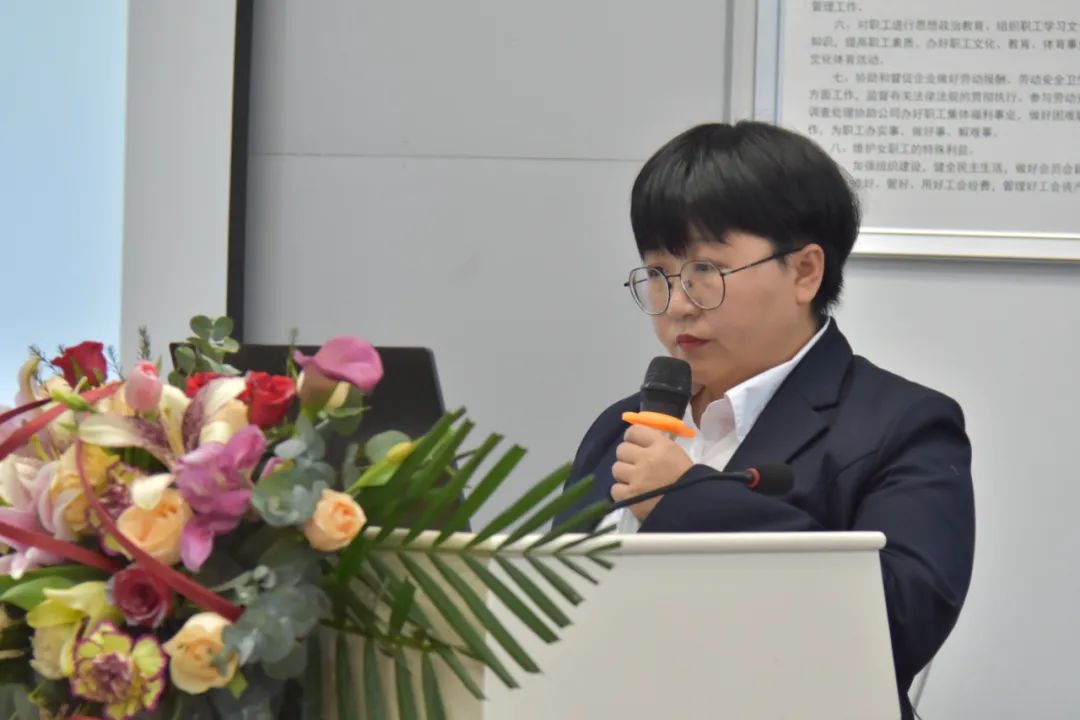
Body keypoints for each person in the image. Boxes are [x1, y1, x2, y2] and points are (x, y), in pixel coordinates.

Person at [555, 121, 975, 720]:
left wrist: (684, 502)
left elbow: (900, 623)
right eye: (659, 275)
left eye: (706, 272)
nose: (678, 305)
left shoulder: (904, 425)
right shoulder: (618, 428)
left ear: (805, 272)